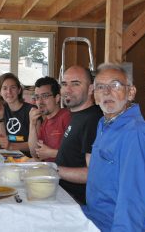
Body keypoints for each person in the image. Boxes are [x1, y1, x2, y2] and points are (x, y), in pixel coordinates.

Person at [83, 63, 145, 231]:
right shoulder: (104, 124)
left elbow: (133, 199)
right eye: (100, 87)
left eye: (115, 85)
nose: (106, 92)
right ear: (94, 96)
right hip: (93, 219)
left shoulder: (135, 133)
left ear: (130, 92)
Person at [55, 65, 103, 204]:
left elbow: (92, 174)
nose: (67, 90)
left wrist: (52, 170)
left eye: (75, 84)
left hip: (78, 205)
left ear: (90, 89)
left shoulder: (93, 120)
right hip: (63, 195)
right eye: (64, 84)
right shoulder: (77, 115)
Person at [0, 73, 39, 155]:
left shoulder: (32, 111)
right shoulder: (3, 109)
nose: (9, 92)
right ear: (0, 92)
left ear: (19, 90)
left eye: (13, 87)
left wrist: (12, 146)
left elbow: (36, 145)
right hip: (10, 156)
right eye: (5, 88)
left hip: (29, 159)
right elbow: (2, 140)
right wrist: (0, 117)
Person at [28, 76, 71, 162]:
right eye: (37, 97)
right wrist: (32, 124)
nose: (40, 102)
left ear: (57, 98)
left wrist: (51, 153)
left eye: (45, 96)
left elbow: (76, 155)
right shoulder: (45, 122)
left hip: (64, 172)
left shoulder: (67, 117)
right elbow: (35, 153)